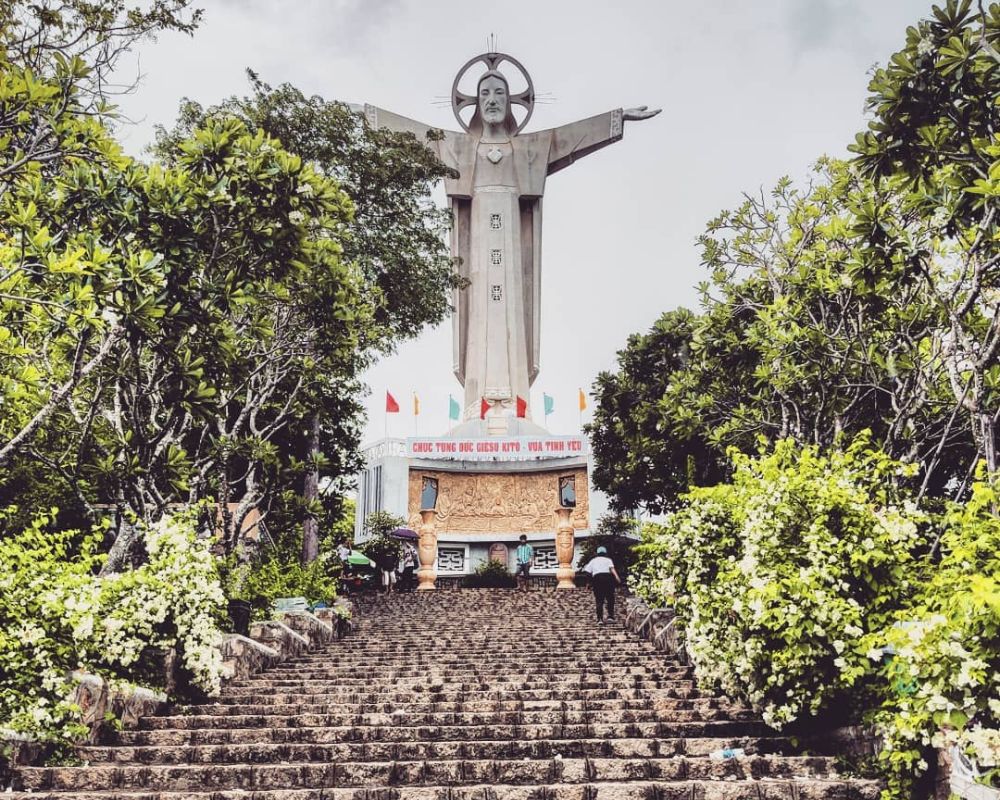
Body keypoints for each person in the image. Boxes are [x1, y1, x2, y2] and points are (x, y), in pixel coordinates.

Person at [581, 546, 621, 624]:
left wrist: (589, 583)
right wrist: (617, 578)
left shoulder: (593, 561)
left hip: (597, 579)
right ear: (605, 553)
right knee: (610, 598)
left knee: (599, 600)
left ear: (597, 553)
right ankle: (610, 617)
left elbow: (587, 572)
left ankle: (600, 619)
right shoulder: (608, 560)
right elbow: (612, 570)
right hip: (607, 578)